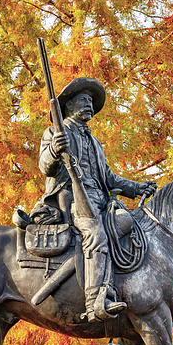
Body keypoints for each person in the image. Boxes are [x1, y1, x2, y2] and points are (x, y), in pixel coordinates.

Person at [34, 77, 156, 323]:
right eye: (83, 100)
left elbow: (109, 177)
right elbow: (44, 166)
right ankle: (95, 300)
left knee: (127, 222)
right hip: (72, 199)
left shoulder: (94, 143)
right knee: (95, 233)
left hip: (101, 199)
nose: (89, 104)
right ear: (68, 106)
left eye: (91, 101)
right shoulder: (55, 132)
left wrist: (136, 187)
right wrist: (54, 150)